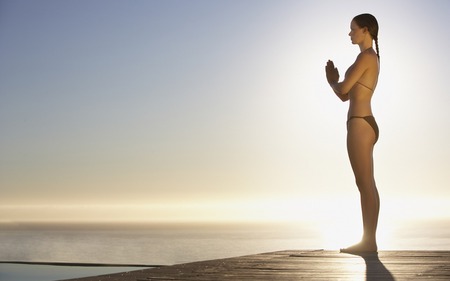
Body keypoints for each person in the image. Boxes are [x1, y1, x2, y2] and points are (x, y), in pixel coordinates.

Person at [325, 13, 380, 254]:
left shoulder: (366, 57)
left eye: (353, 29)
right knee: (365, 183)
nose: (350, 33)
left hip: (360, 123)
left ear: (365, 30)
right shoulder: (368, 58)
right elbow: (345, 96)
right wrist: (335, 83)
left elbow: (343, 88)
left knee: (365, 184)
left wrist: (332, 81)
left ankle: (369, 242)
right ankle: (369, 241)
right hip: (363, 122)